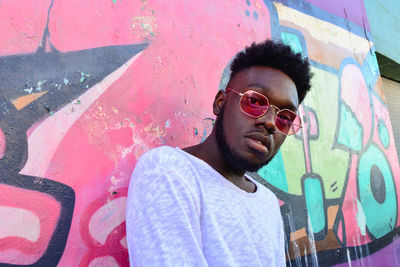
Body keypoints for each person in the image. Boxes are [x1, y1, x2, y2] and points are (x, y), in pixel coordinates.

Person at [126, 40, 312, 266]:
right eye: (254, 101)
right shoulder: (169, 172)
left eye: (285, 118)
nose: (271, 122)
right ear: (220, 103)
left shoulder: (268, 203)